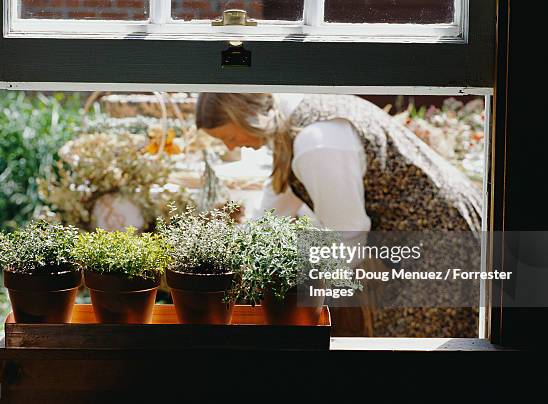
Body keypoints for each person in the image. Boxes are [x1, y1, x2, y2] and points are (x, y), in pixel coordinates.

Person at [196, 93, 482, 337]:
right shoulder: (292, 129)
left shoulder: (315, 142)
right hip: (417, 236)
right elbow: (272, 214)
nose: (230, 148)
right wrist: (237, 252)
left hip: (440, 238)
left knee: (417, 346)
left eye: (230, 137)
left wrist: (305, 291)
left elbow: (348, 236)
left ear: (249, 116)